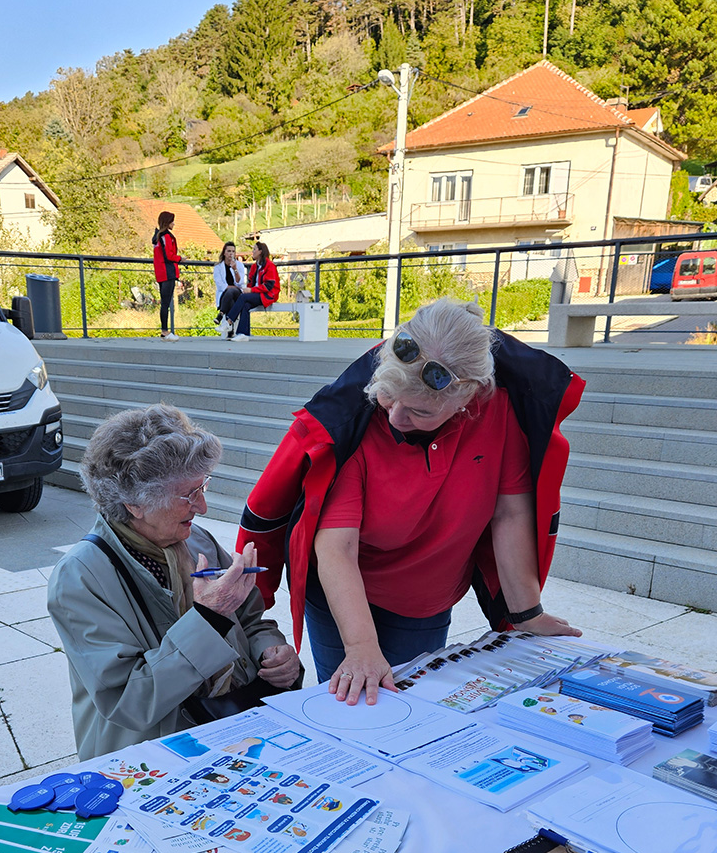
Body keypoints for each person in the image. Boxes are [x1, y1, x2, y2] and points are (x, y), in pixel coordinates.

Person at [238, 298, 585, 706]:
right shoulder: (359, 421)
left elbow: (509, 515)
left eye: (420, 410)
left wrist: (527, 616)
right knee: (351, 699)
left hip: (426, 593)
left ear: (469, 396)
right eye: (388, 396)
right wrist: (361, 645)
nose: (396, 418)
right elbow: (336, 545)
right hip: (342, 590)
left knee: (412, 706)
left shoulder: (501, 412)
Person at [48, 404, 301, 759]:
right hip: (151, 756)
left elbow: (251, 622)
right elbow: (131, 699)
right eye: (188, 495)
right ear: (135, 503)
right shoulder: (80, 577)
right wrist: (208, 618)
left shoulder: (198, 541)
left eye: (204, 486)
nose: (202, 507)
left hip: (230, 732)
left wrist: (271, 652)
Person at [225, 241, 280, 342]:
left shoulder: (270, 265)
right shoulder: (254, 266)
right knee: (245, 304)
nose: (252, 251)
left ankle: (229, 321)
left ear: (260, 251)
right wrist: (248, 290)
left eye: (254, 249)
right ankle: (243, 334)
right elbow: (251, 282)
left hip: (267, 295)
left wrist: (251, 290)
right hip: (257, 294)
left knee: (243, 298)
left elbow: (268, 286)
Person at [151, 211, 181, 342]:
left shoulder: (157, 237)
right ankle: (165, 331)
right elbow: (169, 255)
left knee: (164, 302)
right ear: (167, 222)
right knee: (166, 303)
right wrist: (180, 259)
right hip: (168, 272)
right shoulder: (166, 236)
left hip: (160, 272)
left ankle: (164, 330)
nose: (174, 223)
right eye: (172, 221)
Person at [213, 242, 245, 339]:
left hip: (238, 293)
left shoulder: (239, 265)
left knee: (231, 292)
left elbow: (239, 283)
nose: (231, 253)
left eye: (233, 251)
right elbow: (220, 285)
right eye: (229, 251)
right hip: (224, 294)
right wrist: (231, 287)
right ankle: (230, 329)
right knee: (229, 295)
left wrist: (235, 269)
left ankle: (221, 314)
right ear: (224, 253)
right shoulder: (218, 267)